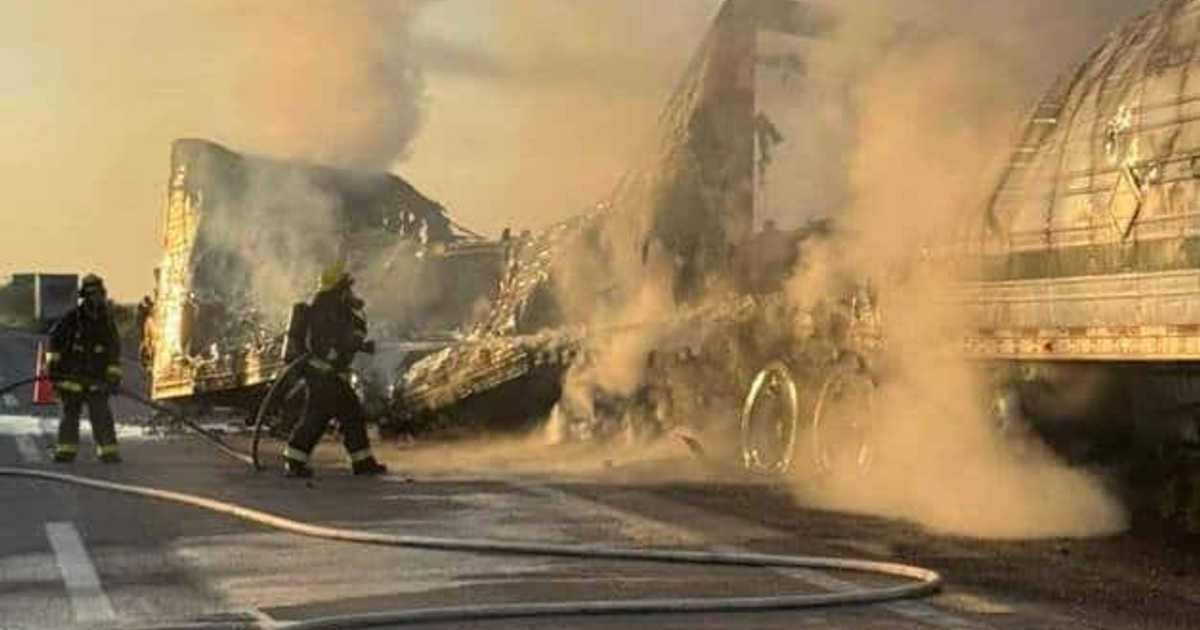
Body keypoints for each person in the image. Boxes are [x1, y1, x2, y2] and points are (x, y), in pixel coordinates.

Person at [282, 263, 388, 478]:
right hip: (322, 375)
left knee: (347, 416)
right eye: (347, 287)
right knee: (318, 418)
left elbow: (345, 337)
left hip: (330, 375)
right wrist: (347, 346)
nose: (350, 291)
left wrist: (360, 345)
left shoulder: (336, 308)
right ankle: (294, 461)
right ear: (338, 288)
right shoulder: (324, 309)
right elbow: (322, 344)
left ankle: (361, 462)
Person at [46, 274, 123, 463]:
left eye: (101, 294)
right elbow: (54, 346)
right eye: (95, 294)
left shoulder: (107, 322)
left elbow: (114, 352)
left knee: (101, 414)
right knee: (70, 415)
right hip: (72, 380)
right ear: (86, 296)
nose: (99, 298)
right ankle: (66, 451)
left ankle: (108, 452)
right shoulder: (71, 320)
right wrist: (55, 375)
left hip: (97, 380)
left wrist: (113, 379)